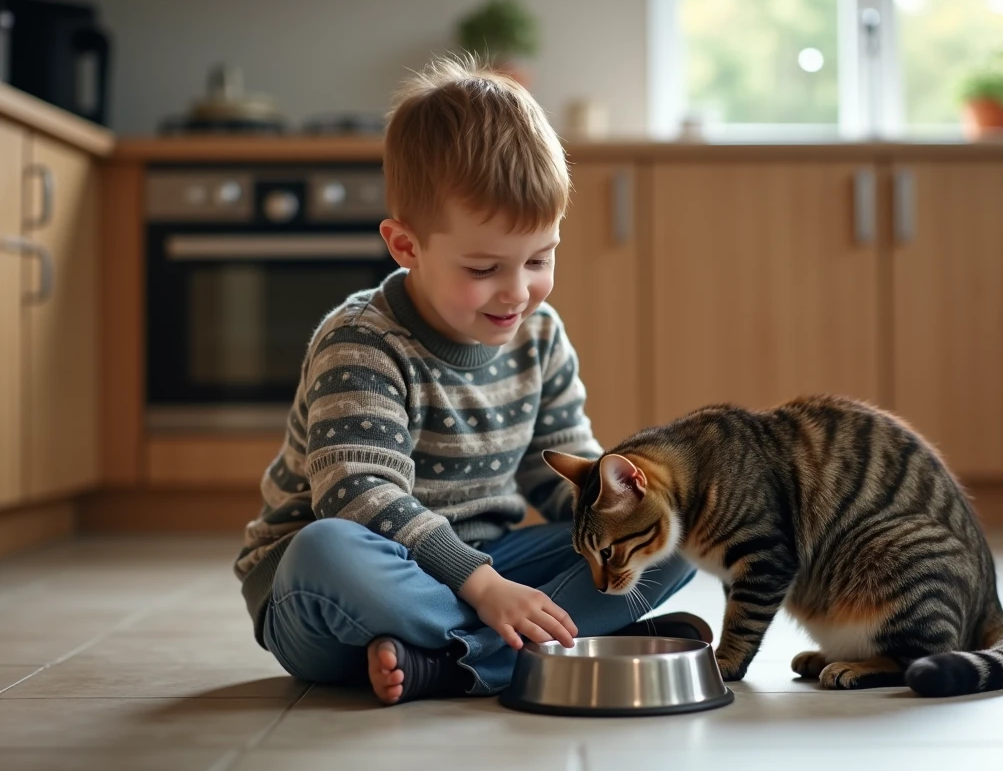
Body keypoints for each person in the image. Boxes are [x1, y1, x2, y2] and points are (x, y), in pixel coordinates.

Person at [233, 56, 705, 705]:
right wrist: (482, 588)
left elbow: (560, 476)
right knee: (327, 550)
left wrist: (628, 503)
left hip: (484, 561)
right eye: (484, 268)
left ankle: (446, 664)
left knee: (675, 536)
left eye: (540, 259)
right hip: (337, 592)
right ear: (406, 247)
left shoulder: (540, 335)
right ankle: (527, 650)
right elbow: (357, 495)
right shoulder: (361, 341)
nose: (518, 292)